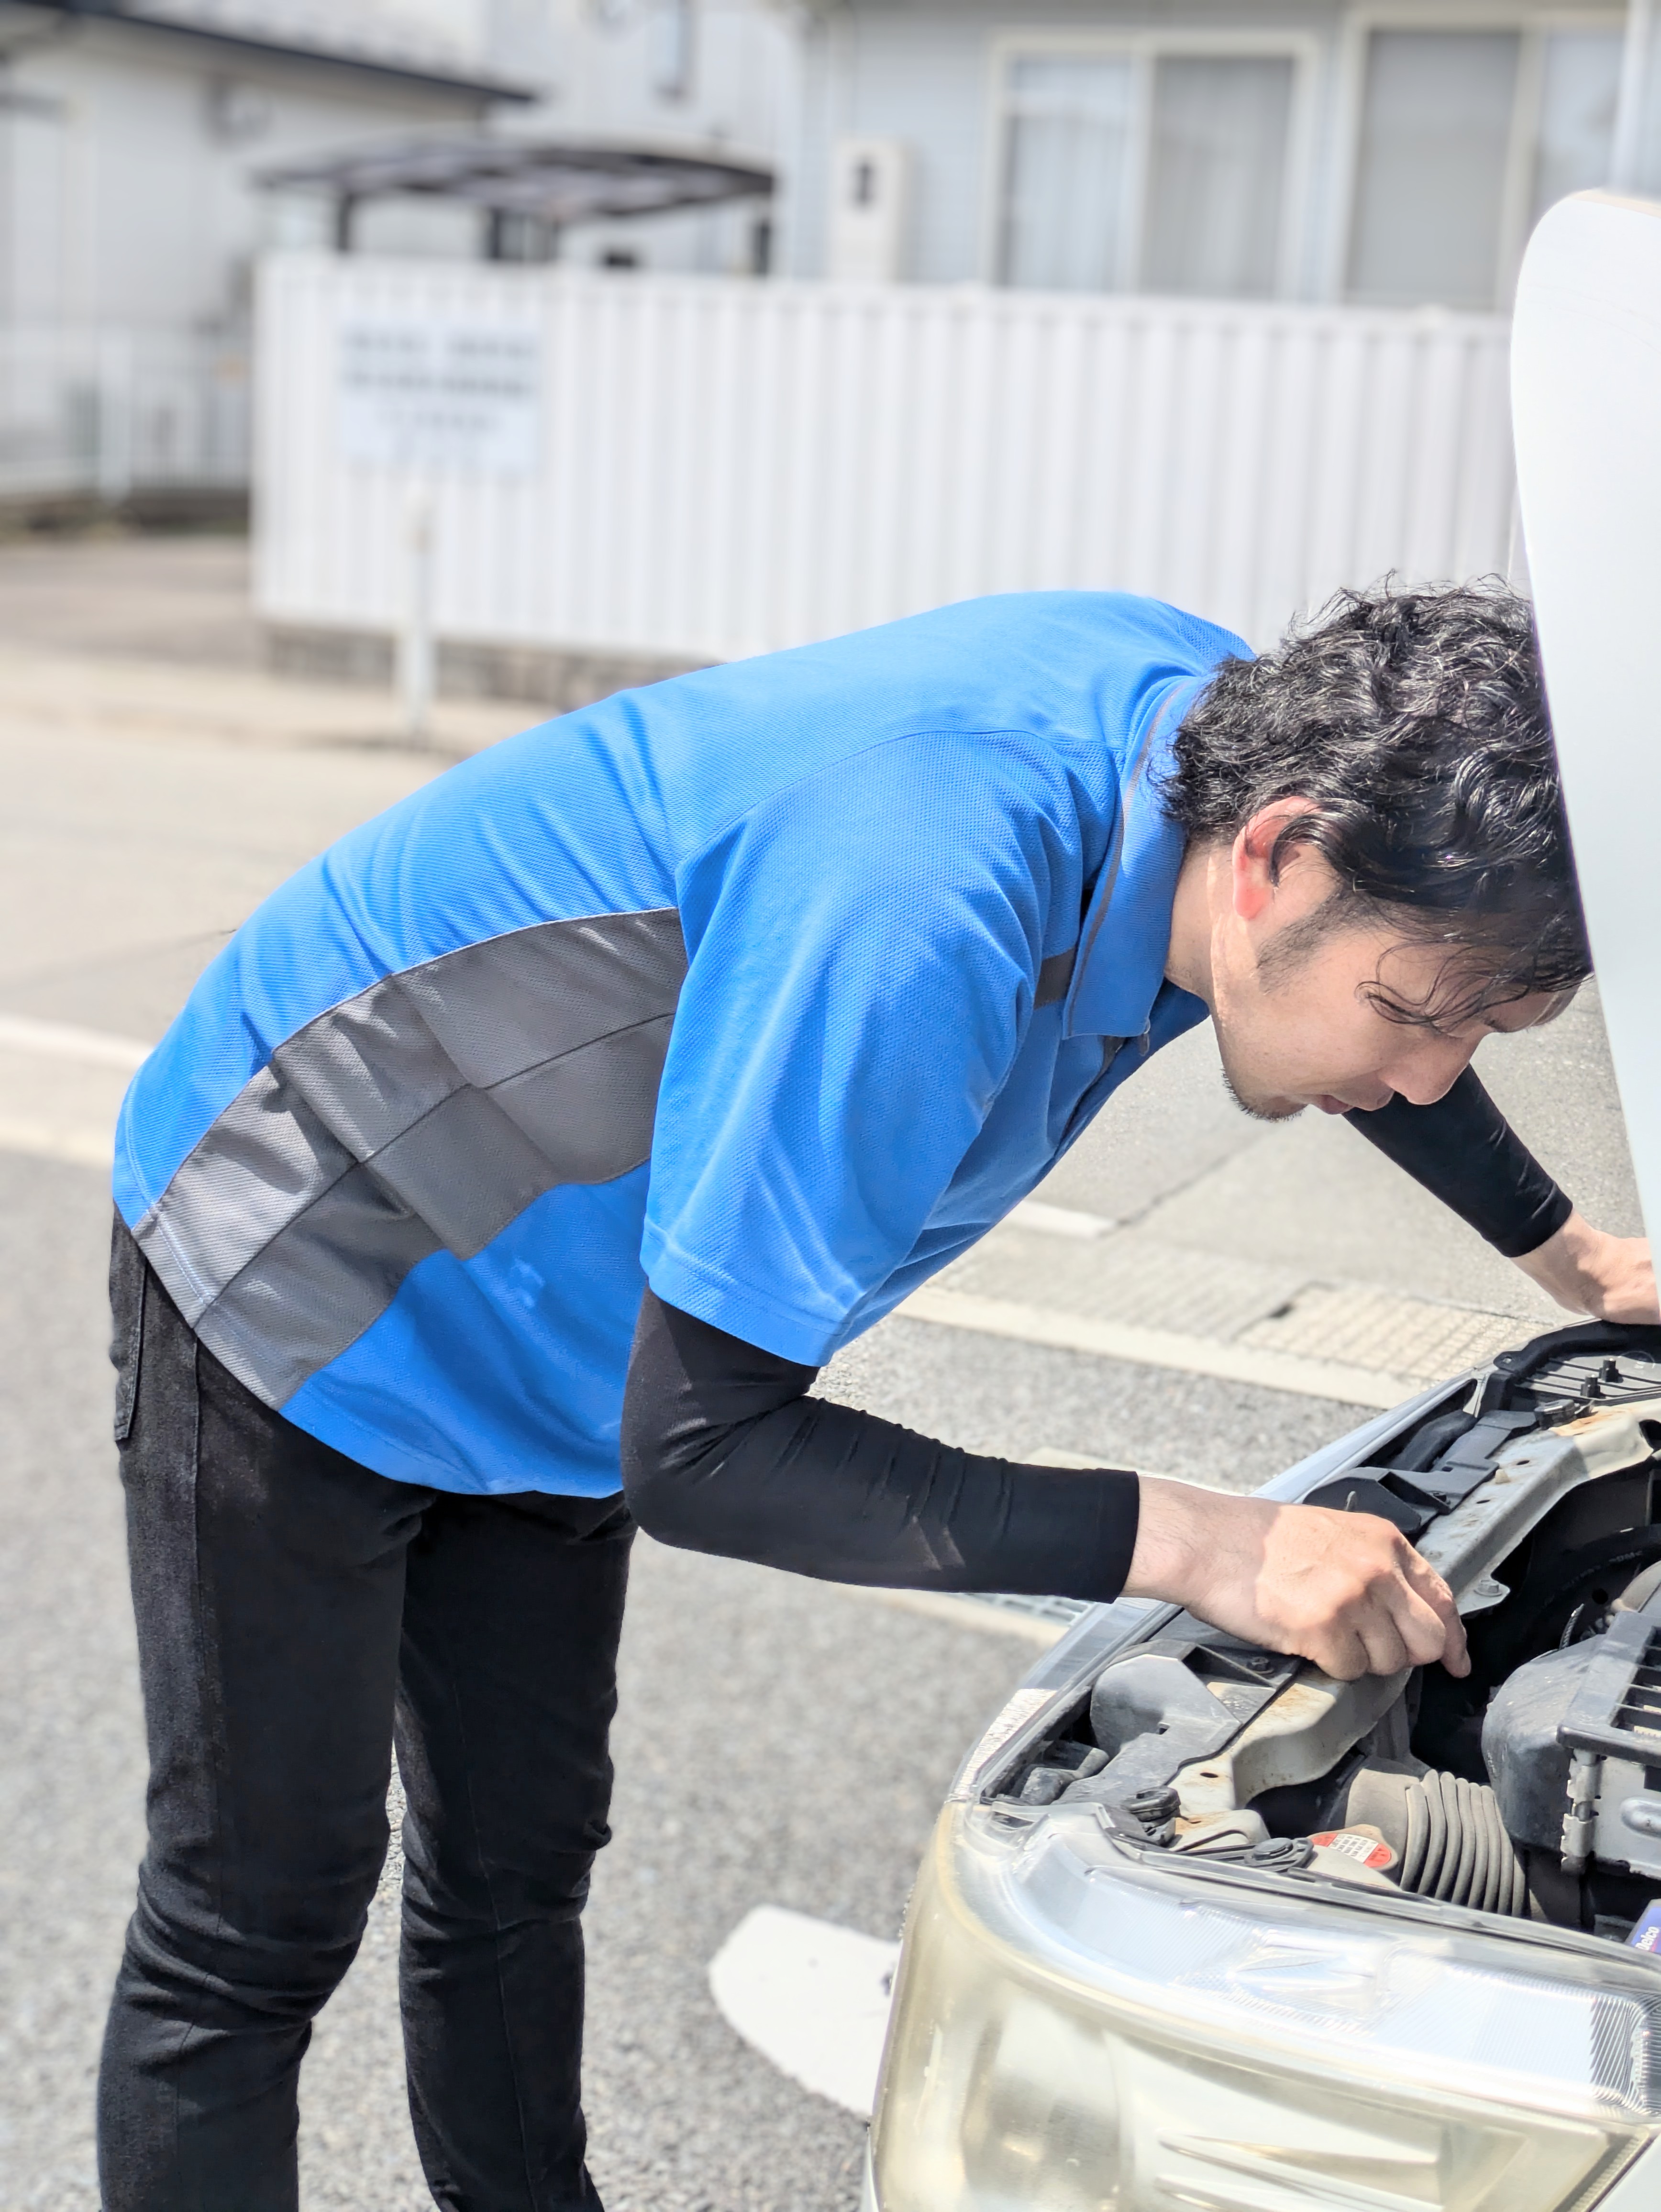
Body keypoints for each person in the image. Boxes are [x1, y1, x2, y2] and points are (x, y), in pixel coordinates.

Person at [98, 579, 1654, 2211]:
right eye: (1420, 1014)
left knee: (516, 1859)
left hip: (589, 1328)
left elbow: (1356, 1006)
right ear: (1276, 853)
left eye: (1480, 1026)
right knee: (258, 1918)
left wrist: (1579, 1260)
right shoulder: (925, 890)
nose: (1426, 1070)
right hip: (304, 1250)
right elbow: (707, 1455)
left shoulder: (1222, 749)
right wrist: (1212, 1543)